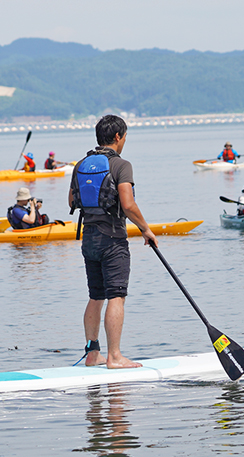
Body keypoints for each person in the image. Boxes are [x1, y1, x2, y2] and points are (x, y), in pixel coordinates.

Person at [68, 114, 157, 369]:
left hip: (89, 239)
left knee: (96, 296)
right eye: (125, 136)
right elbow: (128, 204)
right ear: (118, 136)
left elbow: (72, 202)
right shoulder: (121, 165)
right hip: (113, 241)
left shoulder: (81, 164)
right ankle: (115, 357)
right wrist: (146, 230)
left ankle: (93, 354)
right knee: (116, 296)